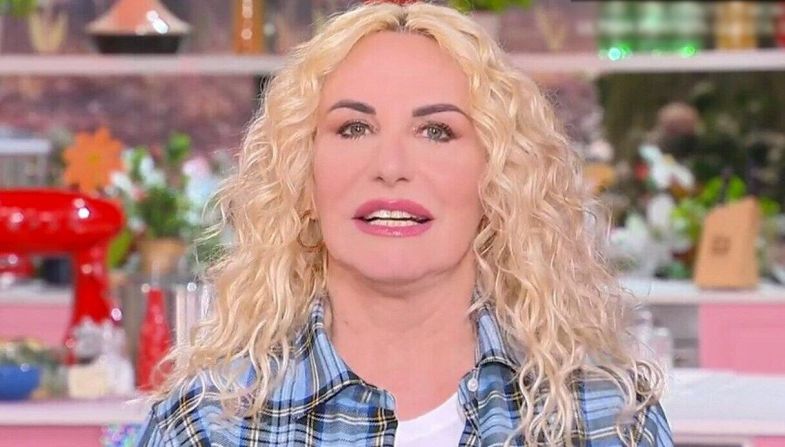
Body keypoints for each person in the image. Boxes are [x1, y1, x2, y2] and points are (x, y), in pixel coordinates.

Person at [138, 2, 673, 446]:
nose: (391, 167)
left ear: (498, 179)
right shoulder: (208, 424)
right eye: (353, 128)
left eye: (436, 131)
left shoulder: (608, 418)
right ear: (302, 179)